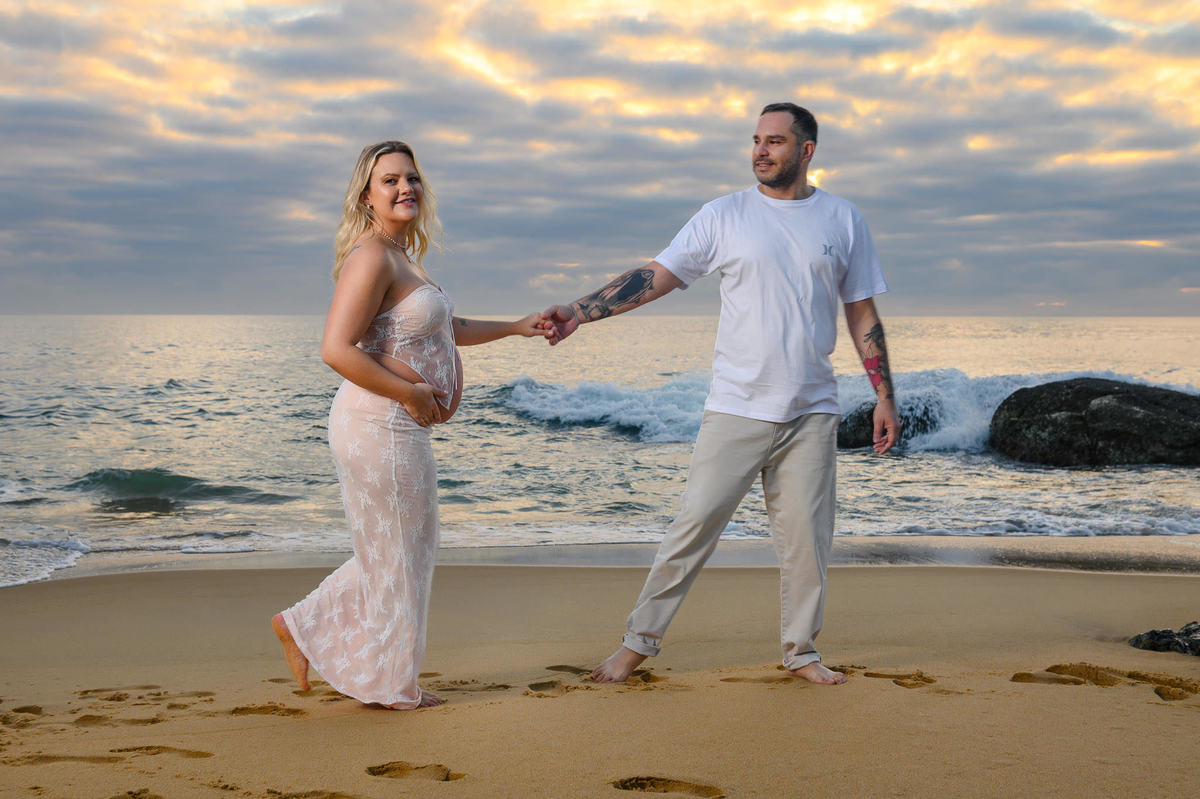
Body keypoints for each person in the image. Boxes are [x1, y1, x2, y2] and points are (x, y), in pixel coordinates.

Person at [541, 103, 900, 685]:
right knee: (692, 529)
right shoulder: (723, 215)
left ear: (806, 150)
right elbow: (655, 277)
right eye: (756, 140)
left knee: (808, 544)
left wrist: (884, 395)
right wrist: (580, 311)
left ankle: (802, 652)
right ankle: (634, 647)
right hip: (737, 406)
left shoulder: (843, 218)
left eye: (775, 141)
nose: (761, 150)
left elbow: (861, 311)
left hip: (812, 410)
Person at [272, 141, 547, 709]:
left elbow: (447, 329)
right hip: (379, 421)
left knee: (400, 548)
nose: (406, 188)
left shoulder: (401, 258)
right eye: (390, 180)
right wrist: (411, 393)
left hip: (394, 423)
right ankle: (392, 686)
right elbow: (335, 349)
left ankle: (306, 628)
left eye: (412, 178)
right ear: (366, 196)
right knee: (402, 552)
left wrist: (517, 326)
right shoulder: (372, 256)